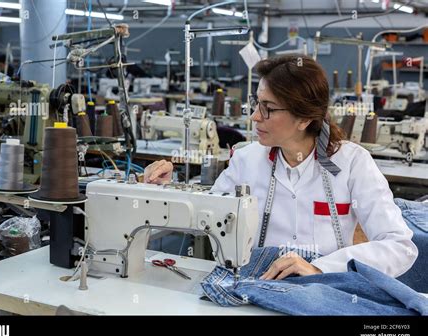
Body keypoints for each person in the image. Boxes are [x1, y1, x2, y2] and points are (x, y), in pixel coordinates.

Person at [143, 55, 418, 281]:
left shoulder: (352, 164)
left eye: (268, 109)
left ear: (304, 118)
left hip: (323, 288)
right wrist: (167, 189)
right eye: (256, 104)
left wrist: (323, 267)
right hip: (259, 284)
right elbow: (206, 214)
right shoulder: (247, 160)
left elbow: (400, 246)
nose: (254, 117)